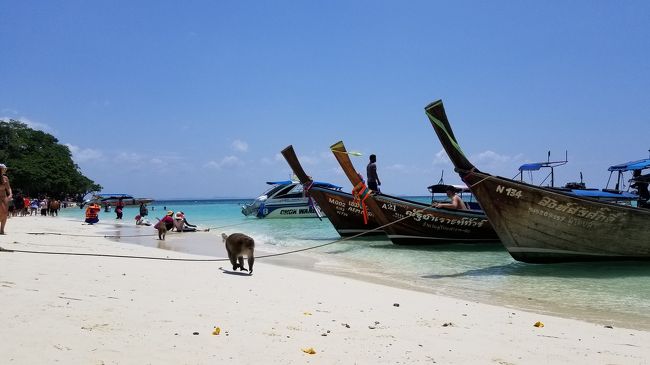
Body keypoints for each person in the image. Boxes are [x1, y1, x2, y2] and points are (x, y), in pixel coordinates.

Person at [0, 163, 13, 234]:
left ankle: (2, 229)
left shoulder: (5, 178)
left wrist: (10, 194)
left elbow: (8, 188)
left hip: (4, 197)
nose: (5, 170)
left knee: (5, 213)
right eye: (4, 169)